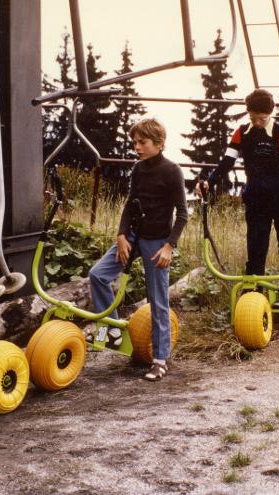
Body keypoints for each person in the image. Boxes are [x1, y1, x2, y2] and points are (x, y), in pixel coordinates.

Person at [88, 119, 187, 381]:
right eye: (135, 142)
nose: (137, 147)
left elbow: (183, 216)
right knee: (97, 275)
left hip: (158, 243)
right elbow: (130, 206)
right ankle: (112, 334)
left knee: (158, 301)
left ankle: (160, 360)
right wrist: (121, 235)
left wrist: (169, 246)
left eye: (142, 142)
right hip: (133, 237)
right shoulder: (138, 170)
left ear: (159, 143)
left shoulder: (172, 171)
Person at [195, 89, 279, 311]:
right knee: (255, 245)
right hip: (256, 194)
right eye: (254, 117)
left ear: (270, 113)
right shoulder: (242, 132)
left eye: (262, 118)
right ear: (249, 113)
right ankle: (253, 290)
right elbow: (226, 162)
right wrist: (209, 181)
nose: (258, 122)